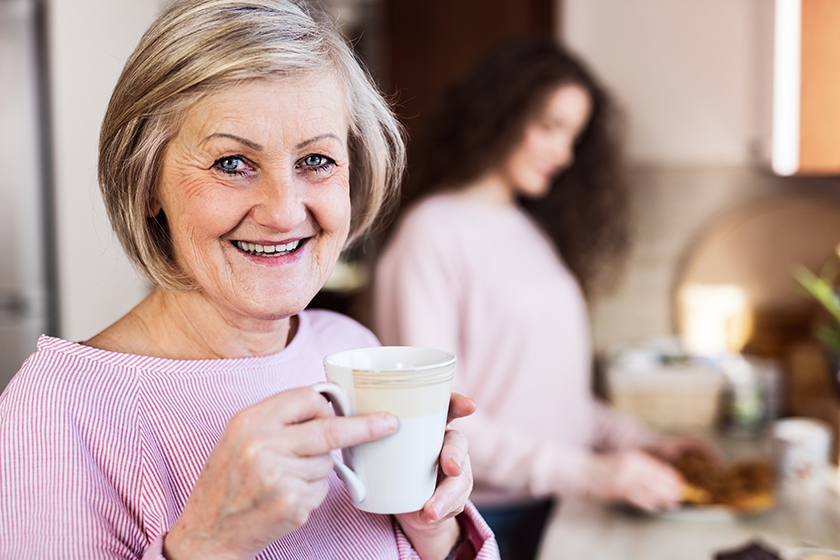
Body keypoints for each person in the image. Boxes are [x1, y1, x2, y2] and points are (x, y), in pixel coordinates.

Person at [0, 1, 499, 559]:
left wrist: (434, 530)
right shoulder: (59, 410)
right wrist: (207, 544)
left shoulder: (350, 348)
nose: (284, 213)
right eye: (232, 163)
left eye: (316, 160)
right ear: (145, 186)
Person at [373, 36, 714, 560]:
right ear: (500, 113)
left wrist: (637, 441)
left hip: (556, 502)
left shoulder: (529, 231)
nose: (564, 153)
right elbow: (436, 419)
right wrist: (593, 472)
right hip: (487, 518)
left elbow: (556, 398)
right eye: (550, 127)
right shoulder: (431, 235)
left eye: (573, 136)